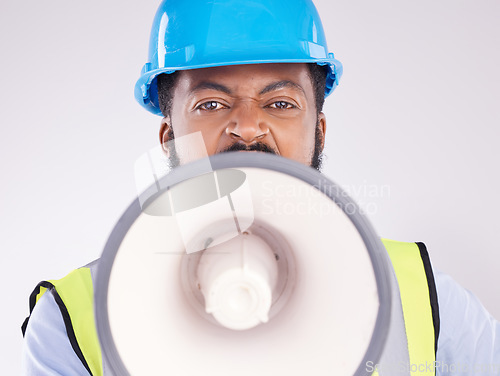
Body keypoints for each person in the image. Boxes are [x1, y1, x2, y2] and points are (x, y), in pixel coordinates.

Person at [21, 1, 500, 375]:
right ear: (169, 137)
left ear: (320, 131)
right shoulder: (69, 319)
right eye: (210, 104)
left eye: (281, 102)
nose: (248, 128)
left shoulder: (424, 293)